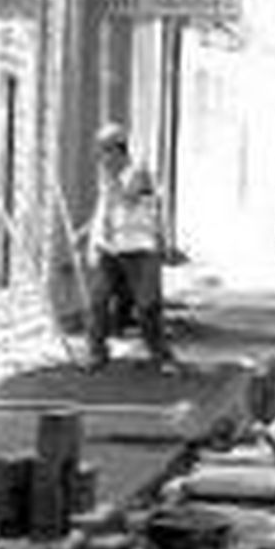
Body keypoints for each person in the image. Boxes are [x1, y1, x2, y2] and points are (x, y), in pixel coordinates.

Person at [84, 121, 175, 371]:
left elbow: (128, 199)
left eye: (103, 151)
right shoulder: (108, 178)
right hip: (110, 249)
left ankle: (161, 355)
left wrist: (110, 180)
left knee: (147, 305)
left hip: (139, 250)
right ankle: (96, 352)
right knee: (98, 300)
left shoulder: (139, 173)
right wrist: (91, 238)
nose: (99, 157)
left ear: (118, 150)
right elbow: (105, 211)